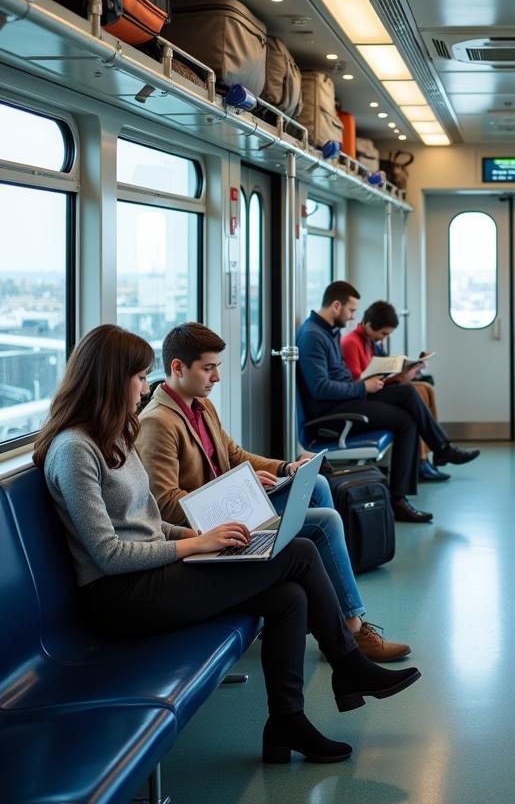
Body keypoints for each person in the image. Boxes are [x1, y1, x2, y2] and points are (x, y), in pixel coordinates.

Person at [36, 325, 421, 765]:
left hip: (152, 574)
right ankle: (348, 664)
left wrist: (204, 542)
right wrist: (198, 544)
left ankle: (287, 722)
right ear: (109, 380)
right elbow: (109, 554)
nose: (146, 387)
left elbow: (148, 524)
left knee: (289, 597)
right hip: (119, 595)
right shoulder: (74, 450)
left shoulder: (114, 437)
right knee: (298, 552)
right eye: (140, 377)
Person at [137, 322, 411, 662]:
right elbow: (164, 505)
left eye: (217, 368)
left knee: (317, 484)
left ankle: (333, 610)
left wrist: (284, 468)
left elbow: (234, 456)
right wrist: (239, 487)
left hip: (234, 504)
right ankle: (351, 627)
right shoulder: (158, 423)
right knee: (324, 522)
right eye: (208, 369)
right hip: (210, 525)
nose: (216, 378)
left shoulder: (201, 405)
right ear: (178, 368)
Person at [297, 281, 479, 524]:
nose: (354, 318)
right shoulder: (312, 336)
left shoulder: (329, 332)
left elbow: (339, 376)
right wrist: (363, 387)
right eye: (351, 311)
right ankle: (403, 495)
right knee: (406, 421)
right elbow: (319, 388)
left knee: (407, 393)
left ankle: (438, 453)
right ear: (336, 305)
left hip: (347, 399)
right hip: (332, 412)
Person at [341, 300, 448, 484]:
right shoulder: (351, 342)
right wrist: (397, 380)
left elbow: (381, 370)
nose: (383, 338)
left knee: (425, 388)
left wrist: (408, 371)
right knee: (414, 394)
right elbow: (358, 381)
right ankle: (429, 456)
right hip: (363, 395)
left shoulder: (371, 342)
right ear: (368, 325)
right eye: (383, 333)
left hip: (375, 388)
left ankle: (433, 453)